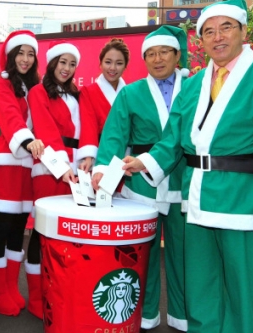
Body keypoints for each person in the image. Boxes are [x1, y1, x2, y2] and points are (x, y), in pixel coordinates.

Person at [121, 0, 253, 333]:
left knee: (241, 289)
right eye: (209, 32)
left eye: (226, 27)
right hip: (196, 195)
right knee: (201, 286)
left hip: (242, 196)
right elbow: (172, 139)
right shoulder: (195, 83)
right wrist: (143, 162)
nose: (218, 37)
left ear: (242, 31)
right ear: (201, 40)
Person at [91, 25, 189, 332]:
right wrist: (103, 169)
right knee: (141, 254)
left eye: (164, 52)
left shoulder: (195, 88)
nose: (157, 59)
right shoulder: (130, 93)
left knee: (184, 255)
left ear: (177, 55)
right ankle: (145, 315)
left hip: (184, 178)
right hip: (140, 182)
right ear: (144, 59)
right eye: (150, 54)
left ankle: (182, 316)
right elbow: (114, 135)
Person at [0, 30, 44, 317]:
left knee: (20, 225)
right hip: (8, 159)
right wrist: (27, 139)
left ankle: (11, 288)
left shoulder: (34, 86)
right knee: (3, 224)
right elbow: (8, 115)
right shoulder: (2, 84)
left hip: (27, 163)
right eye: (20, 53)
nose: (24, 59)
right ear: (10, 56)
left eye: (30, 54)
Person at [26, 41, 81, 318]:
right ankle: (37, 298)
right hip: (50, 167)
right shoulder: (38, 92)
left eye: (73, 64)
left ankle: (60, 293)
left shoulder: (76, 94)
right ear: (52, 63)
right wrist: (62, 167)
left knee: (68, 234)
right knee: (42, 231)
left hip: (76, 167)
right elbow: (45, 130)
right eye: (63, 62)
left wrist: (84, 160)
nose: (67, 68)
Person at [78, 38, 129, 173]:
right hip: (101, 155)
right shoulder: (89, 92)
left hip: (127, 157)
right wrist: (89, 156)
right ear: (100, 64)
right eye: (108, 62)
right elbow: (88, 126)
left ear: (125, 66)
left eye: (119, 63)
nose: (112, 68)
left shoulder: (130, 93)